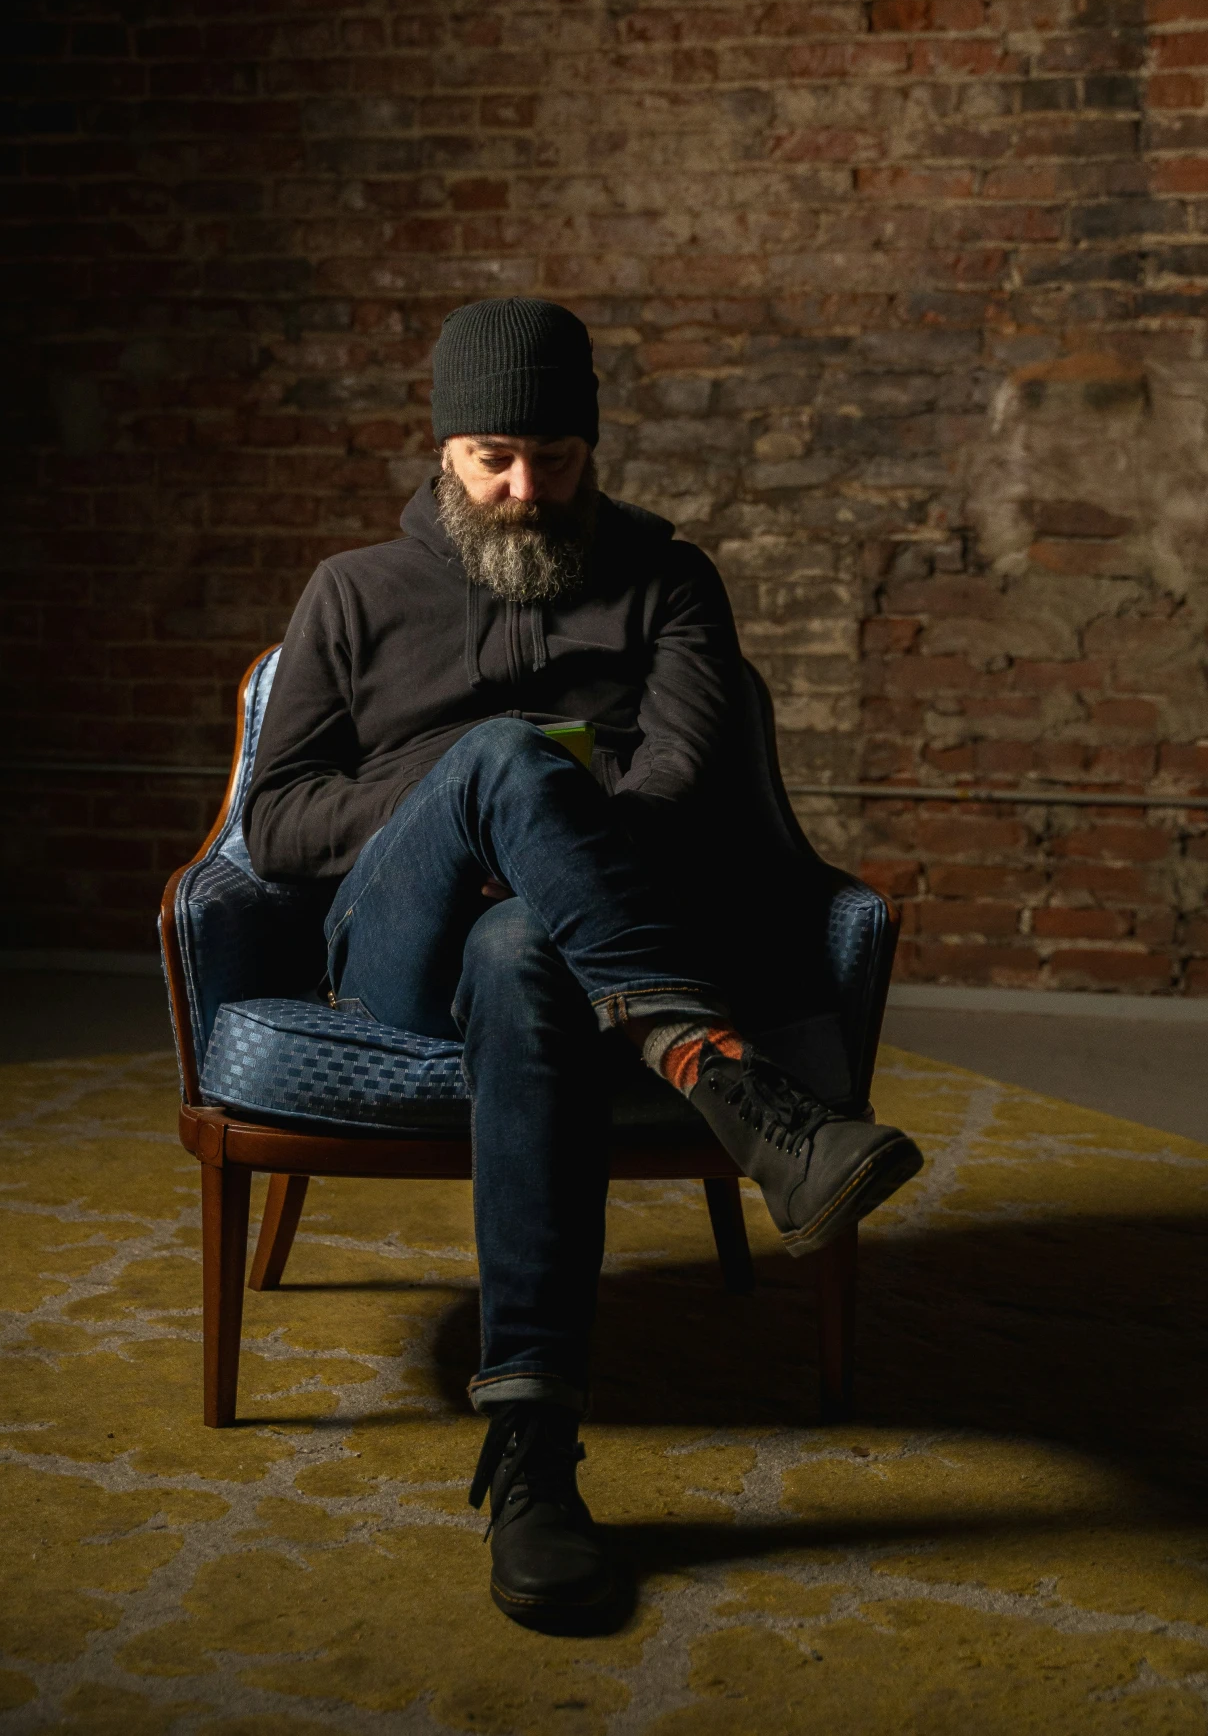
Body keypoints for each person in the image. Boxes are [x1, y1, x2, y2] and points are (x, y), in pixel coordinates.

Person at [245, 296, 922, 1628]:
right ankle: (722, 1074)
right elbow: (275, 821)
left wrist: (550, 840)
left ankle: (535, 1457)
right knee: (494, 760)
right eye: (490, 455)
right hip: (395, 936)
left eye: (551, 456)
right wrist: (460, 806)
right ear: (440, 448)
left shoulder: (667, 579)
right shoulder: (353, 592)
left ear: (591, 447)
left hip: (554, 945)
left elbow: (686, 788)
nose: (519, 488)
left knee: (521, 945)